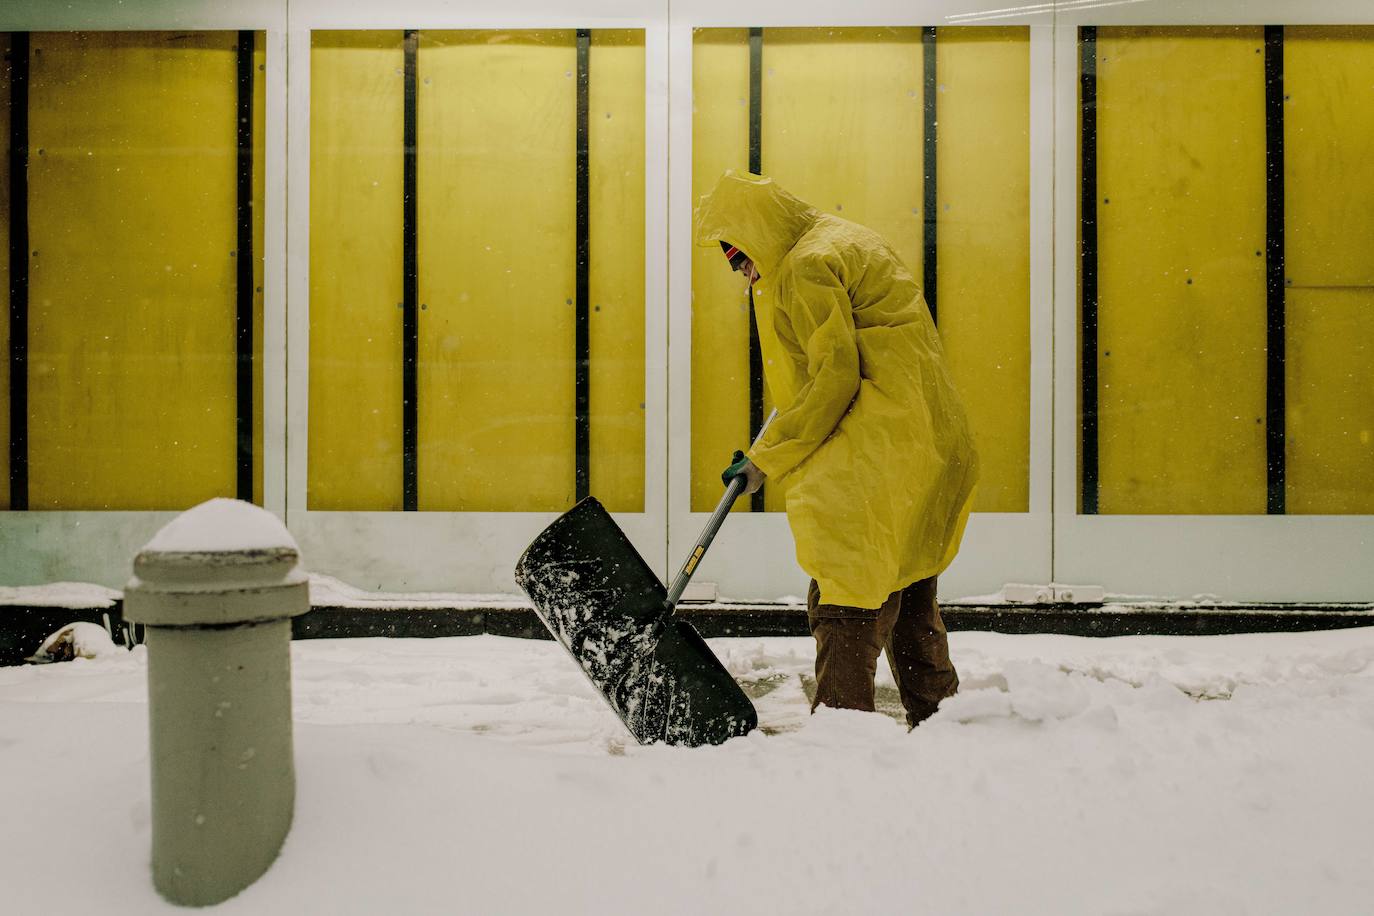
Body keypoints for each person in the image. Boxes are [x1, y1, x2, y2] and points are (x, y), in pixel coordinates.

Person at [695, 170, 979, 728]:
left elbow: (833, 379)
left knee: (845, 592)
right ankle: (942, 723)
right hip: (927, 437)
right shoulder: (845, 238)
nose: (743, 272)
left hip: (877, 446)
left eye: (740, 256)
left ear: (758, 236)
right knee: (907, 587)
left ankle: (841, 733)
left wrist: (765, 459)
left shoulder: (804, 266)